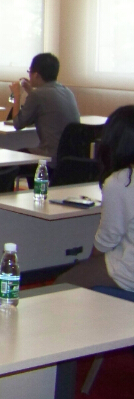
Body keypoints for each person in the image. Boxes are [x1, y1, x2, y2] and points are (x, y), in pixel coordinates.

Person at [57, 106, 134, 292]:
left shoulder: (121, 181)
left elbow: (106, 241)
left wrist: (88, 263)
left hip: (129, 273)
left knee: (61, 285)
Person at [10, 52, 80, 160]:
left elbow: (17, 124)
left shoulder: (37, 95)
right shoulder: (67, 91)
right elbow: (45, 103)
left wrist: (17, 95)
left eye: (29, 72)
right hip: (69, 158)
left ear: (36, 75)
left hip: (49, 157)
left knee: (8, 158)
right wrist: (30, 90)